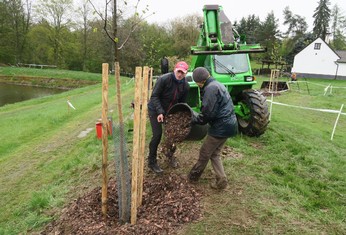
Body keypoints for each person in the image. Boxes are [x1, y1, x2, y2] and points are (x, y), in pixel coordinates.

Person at [188, 67, 238, 189]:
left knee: (205, 153)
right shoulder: (217, 84)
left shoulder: (210, 89)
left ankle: (192, 177)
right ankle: (222, 181)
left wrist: (194, 120)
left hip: (220, 127)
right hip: (229, 125)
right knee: (215, 153)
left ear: (200, 81)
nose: (197, 85)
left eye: (197, 82)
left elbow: (207, 114)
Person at [147, 61, 190, 174]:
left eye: (183, 72)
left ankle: (170, 156)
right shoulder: (164, 79)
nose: (180, 74)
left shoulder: (185, 85)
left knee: (173, 134)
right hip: (155, 109)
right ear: (174, 69)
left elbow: (182, 103)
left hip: (170, 112)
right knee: (157, 135)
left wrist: (180, 118)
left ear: (186, 73)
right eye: (178, 71)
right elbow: (154, 96)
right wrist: (160, 112)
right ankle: (152, 161)